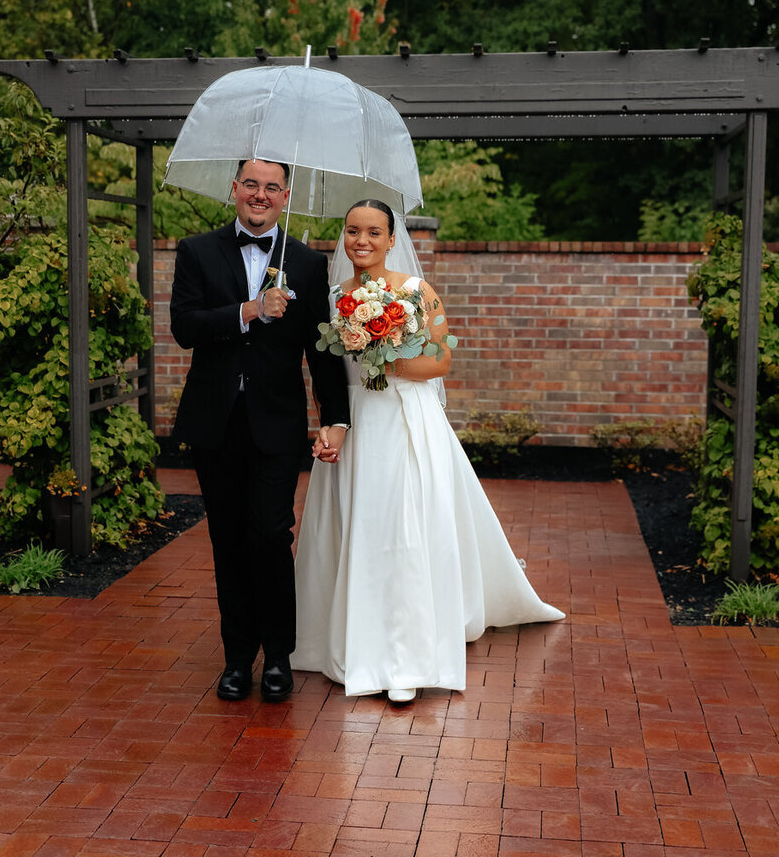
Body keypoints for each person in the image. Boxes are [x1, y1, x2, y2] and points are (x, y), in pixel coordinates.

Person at [292, 199, 565, 703]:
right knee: (361, 525)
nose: (362, 241)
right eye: (353, 231)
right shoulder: (332, 298)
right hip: (359, 424)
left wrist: (384, 358)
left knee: (404, 528)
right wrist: (330, 423)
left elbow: (441, 360)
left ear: (392, 239)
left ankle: (404, 658)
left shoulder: (417, 292)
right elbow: (325, 371)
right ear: (343, 238)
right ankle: (352, 640)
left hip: (406, 421)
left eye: (374, 232)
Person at [170, 159, 350, 702]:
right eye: (251, 183)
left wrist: (335, 419)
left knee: (271, 536)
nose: (260, 194)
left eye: (272, 187)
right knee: (227, 542)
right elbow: (184, 327)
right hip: (214, 422)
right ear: (234, 189)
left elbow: (323, 351)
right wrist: (247, 310)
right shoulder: (197, 251)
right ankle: (235, 659)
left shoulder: (305, 263)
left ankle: (278, 657)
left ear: (285, 195)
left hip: (277, 425)